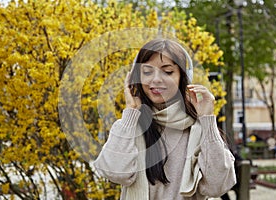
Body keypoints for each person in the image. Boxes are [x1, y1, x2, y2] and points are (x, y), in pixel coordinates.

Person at [94, 38, 236, 200]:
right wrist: (131, 111)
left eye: (167, 72)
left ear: (182, 77)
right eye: (147, 72)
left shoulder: (199, 129)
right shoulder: (128, 126)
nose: (156, 80)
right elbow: (115, 173)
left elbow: (217, 186)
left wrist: (207, 120)